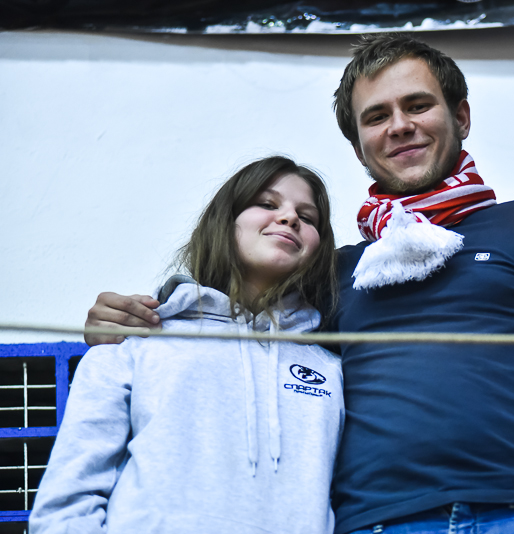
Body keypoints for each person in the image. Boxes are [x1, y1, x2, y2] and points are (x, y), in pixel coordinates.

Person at [84, 35, 514, 534]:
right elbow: (236, 339)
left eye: (418, 105)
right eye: (376, 116)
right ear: (359, 145)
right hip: (375, 522)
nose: (400, 126)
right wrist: (126, 326)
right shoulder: (331, 270)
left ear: (461, 117)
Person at [31, 156, 344, 534]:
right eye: (266, 203)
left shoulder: (333, 369)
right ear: (225, 220)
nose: (290, 217)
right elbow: (66, 504)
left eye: (307, 217)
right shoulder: (134, 343)